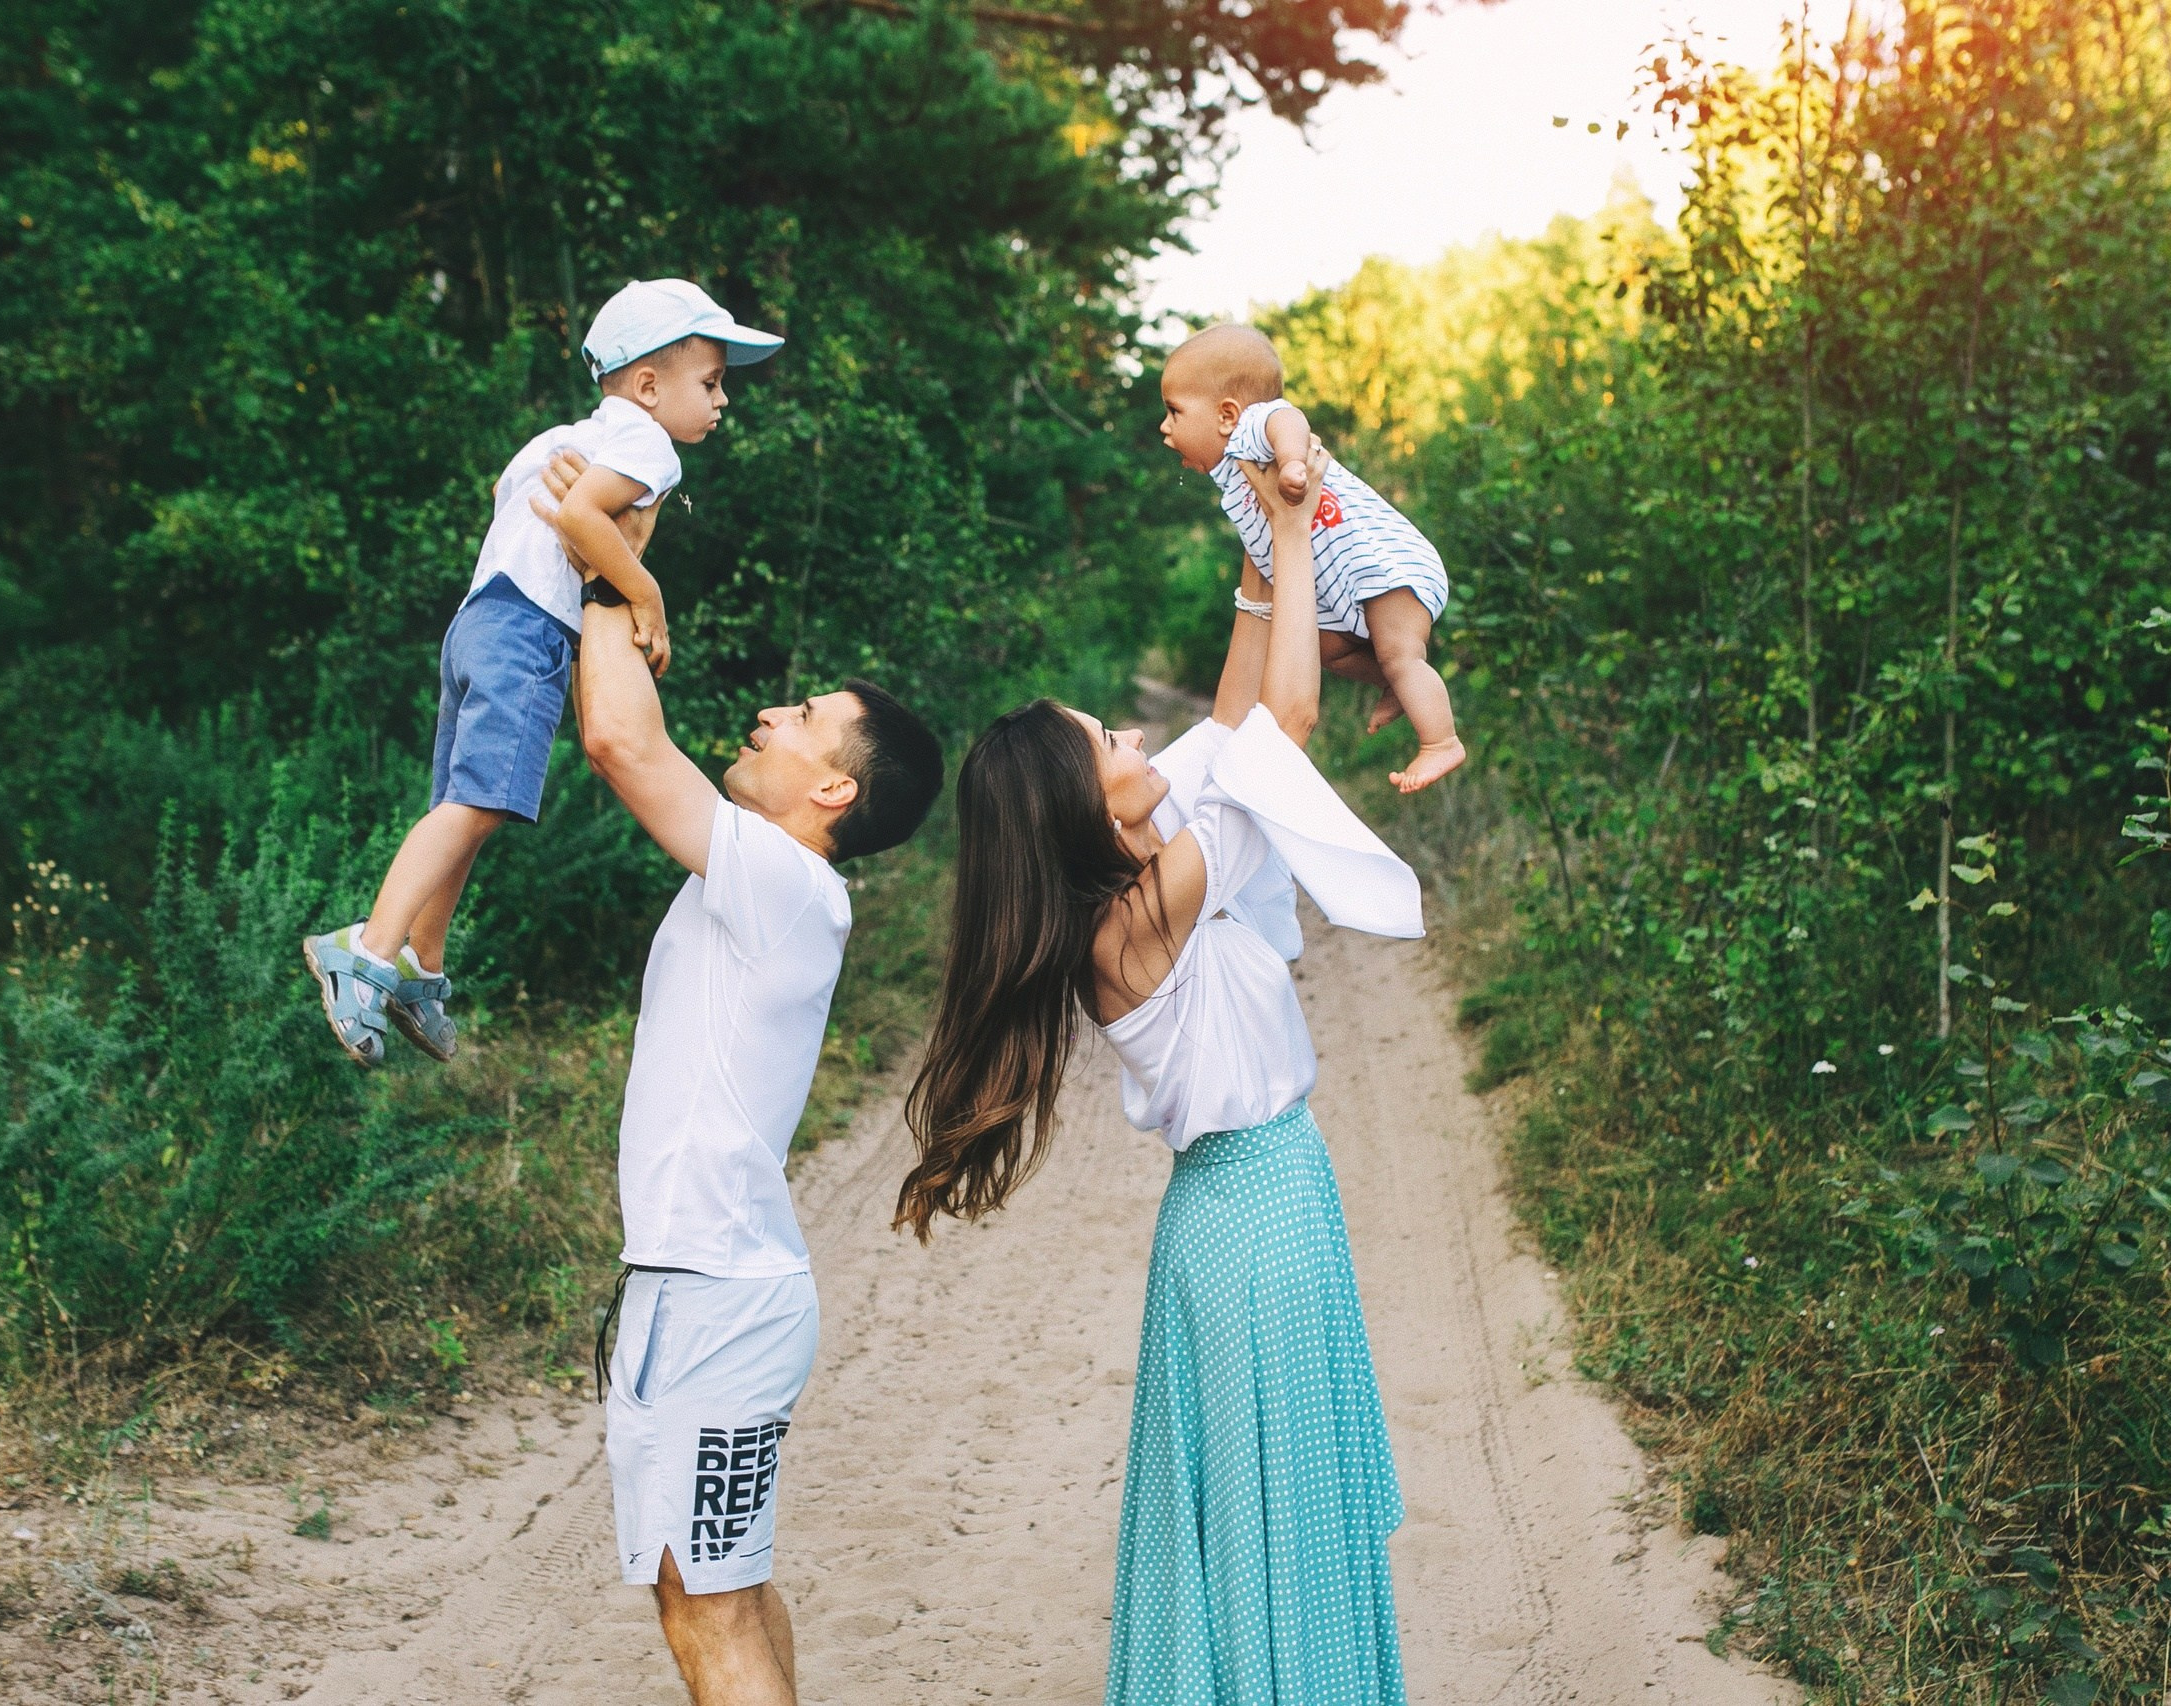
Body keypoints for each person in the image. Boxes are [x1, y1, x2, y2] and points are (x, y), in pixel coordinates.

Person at [898, 443, 1420, 1704]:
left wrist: (1255, 546)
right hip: (1253, 1218)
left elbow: (1237, 721)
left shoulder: (1143, 862)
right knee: (1271, 1514)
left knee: (1264, 1506)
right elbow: (1280, 731)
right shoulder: (1134, 916)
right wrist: (1297, 542)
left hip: (1252, 1210)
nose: (1136, 731)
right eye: (1108, 735)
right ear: (1085, 802)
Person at [536, 449, 944, 1706]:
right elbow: (615, 727)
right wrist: (609, 565)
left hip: (716, 1299)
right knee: (709, 1591)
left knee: (705, 1607)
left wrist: (610, 562)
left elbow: (615, 736)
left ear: (833, 787)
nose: (767, 713)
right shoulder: (763, 881)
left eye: (801, 718)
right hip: (691, 1287)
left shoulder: (789, 883)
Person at [302, 278, 782, 1068]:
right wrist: (648, 596)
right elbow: (582, 517)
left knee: (461, 807)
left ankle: (422, 964)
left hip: (474, 623)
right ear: (649, 386)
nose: (723, 399)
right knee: (484, 803)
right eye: (712, 381)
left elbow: (511, 497)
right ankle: (365, 948)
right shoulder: (647, 446)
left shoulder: (559, 437)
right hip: (527, 631)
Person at [1158, 321, 1466, 794]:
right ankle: (1402, 684)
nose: (1165, 427)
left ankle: (1440, 740)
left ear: (1225, 415)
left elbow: (1287, 417)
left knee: (1401, 651)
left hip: (1386, 567)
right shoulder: (1235, 479)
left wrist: (1294, 462)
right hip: (1348, 592)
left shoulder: (1252, 433)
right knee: (1323, 649)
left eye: (1174, 411)